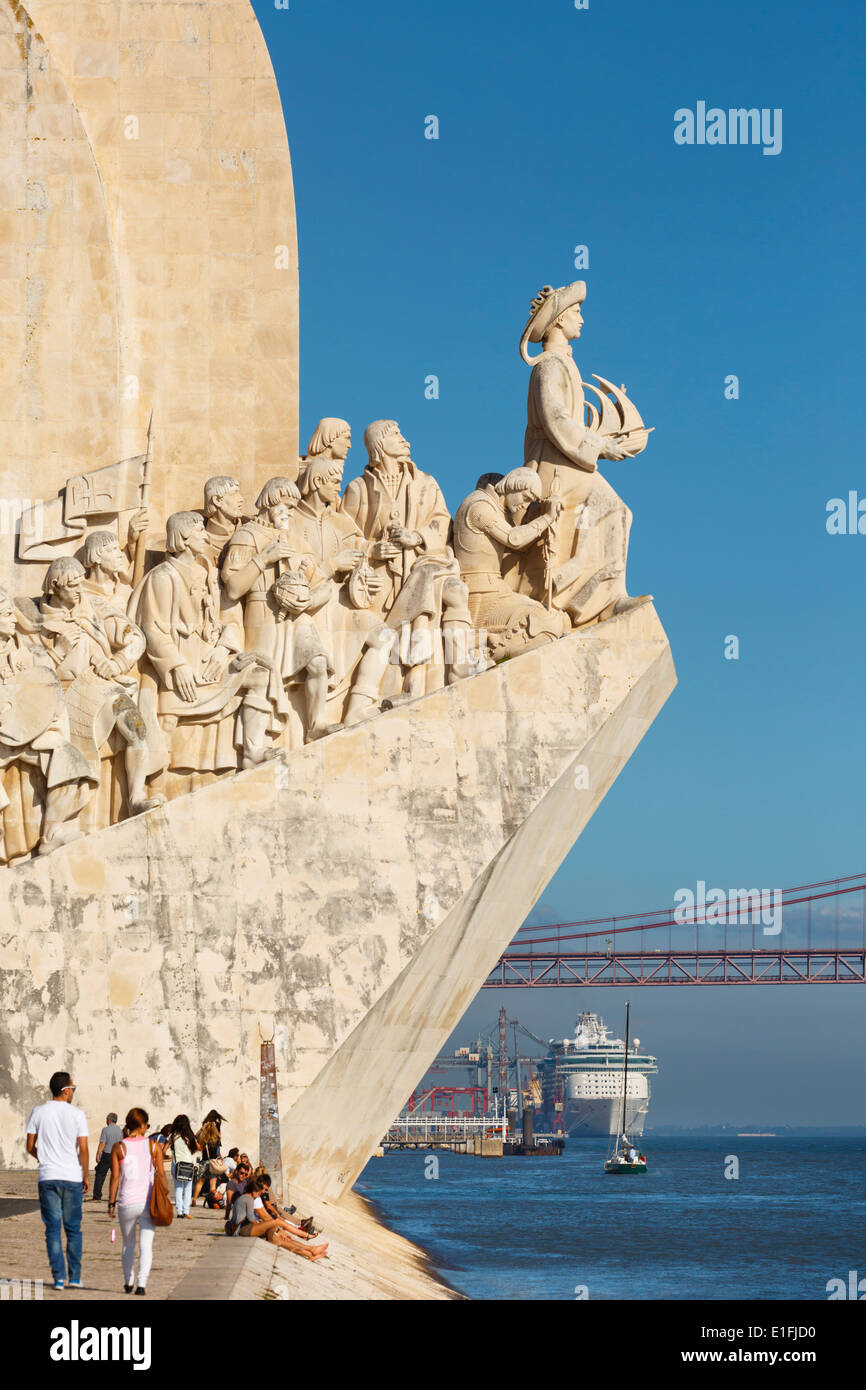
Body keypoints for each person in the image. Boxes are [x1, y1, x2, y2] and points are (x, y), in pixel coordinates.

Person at [25, 1070, 90, 1291]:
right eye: (73, 1088)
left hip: (48, 1176)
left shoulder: (38, 1112)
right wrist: (86, 1174)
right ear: (65, 1090)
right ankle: (75, 1276)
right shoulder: (77, 1115)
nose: (73, 1092)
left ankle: (59, 1278)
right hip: (71, 1176)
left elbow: (29, 1146)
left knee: (52, 1229)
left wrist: (43, 1158)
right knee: (73, 1229)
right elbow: (83, 1148)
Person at [108, 1106, 165, 1295]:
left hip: (126, 1202)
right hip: (147, 1201)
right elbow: (162, 1175)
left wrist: (111, 1202)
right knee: (146, 1244)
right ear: (141, 1125)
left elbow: (115, 1178)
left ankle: (128, 1281)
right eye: (147, 1124)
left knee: (128, 1243)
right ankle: (141, 1284)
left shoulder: (119, 1147)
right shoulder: (153, 1146)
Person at [229, 1176, 328, 1261]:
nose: (260, 1195)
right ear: (254, 1191)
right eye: (259, 1193)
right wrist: (265, 1229)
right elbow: (252, 1219)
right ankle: (309, 1250)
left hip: (244, 1229)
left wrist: (268, 1231)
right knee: (275, 1223)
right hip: (243, 1230)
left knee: (281, 1241)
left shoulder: (245, 1197)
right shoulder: (249, 1199)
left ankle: (309, 1253)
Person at [168, 1114, 199, 1219]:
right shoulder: (189, 1136)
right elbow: (195, 1149)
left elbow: (164, 1149)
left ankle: (179, 1212)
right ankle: (186, 1211)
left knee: (178, 1188)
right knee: (188, 1189)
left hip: (176, 1164)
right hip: (188, 1165)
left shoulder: (173, 1136)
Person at [91, 1112, 122, 1201]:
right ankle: (113, 1197)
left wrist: (98, 1154)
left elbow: (102, 1143)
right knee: (115, 1176)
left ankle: (97, 1196)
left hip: (107, 1155)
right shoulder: (120, 1130)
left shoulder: (106, 1129)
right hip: (116, 1156)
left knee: (100, 1174)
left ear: (108, 1120)